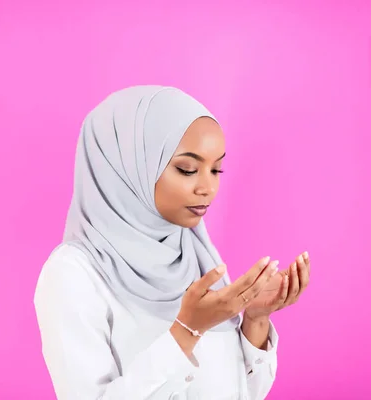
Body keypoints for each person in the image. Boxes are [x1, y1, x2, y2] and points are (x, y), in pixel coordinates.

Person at [33, 85, 310, 400]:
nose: (208, 187)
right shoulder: (73, 274)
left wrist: (256, 319)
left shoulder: (195, 254)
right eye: (187, 169)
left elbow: (238, 393)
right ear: (128, 165)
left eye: (216, 169)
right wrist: (186, 331)